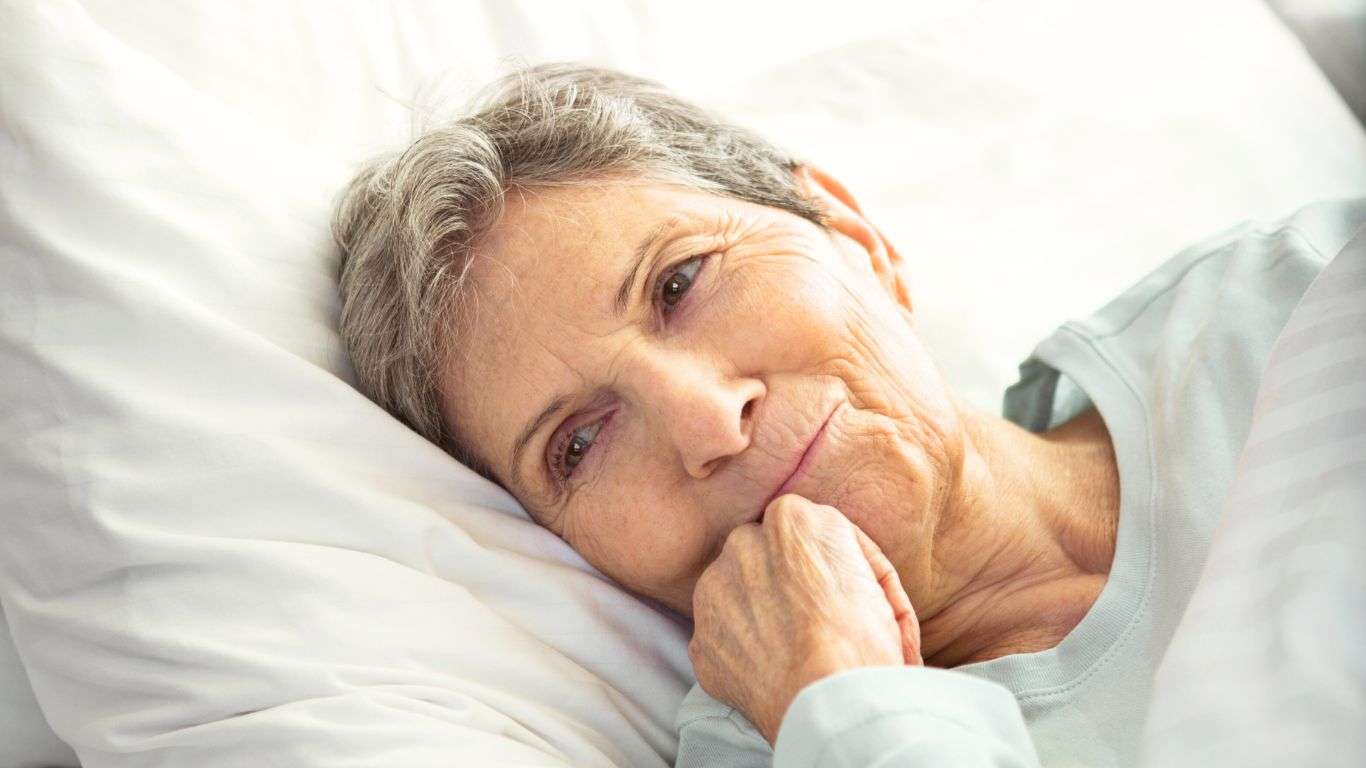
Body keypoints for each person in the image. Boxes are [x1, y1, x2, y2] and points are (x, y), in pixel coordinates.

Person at [330, 62, 1365, 766]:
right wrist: (845, 703)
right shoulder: (786, 748)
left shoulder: (1286, 303)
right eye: (580, 443)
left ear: (849, 233)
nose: (707, 423)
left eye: (681, 282)